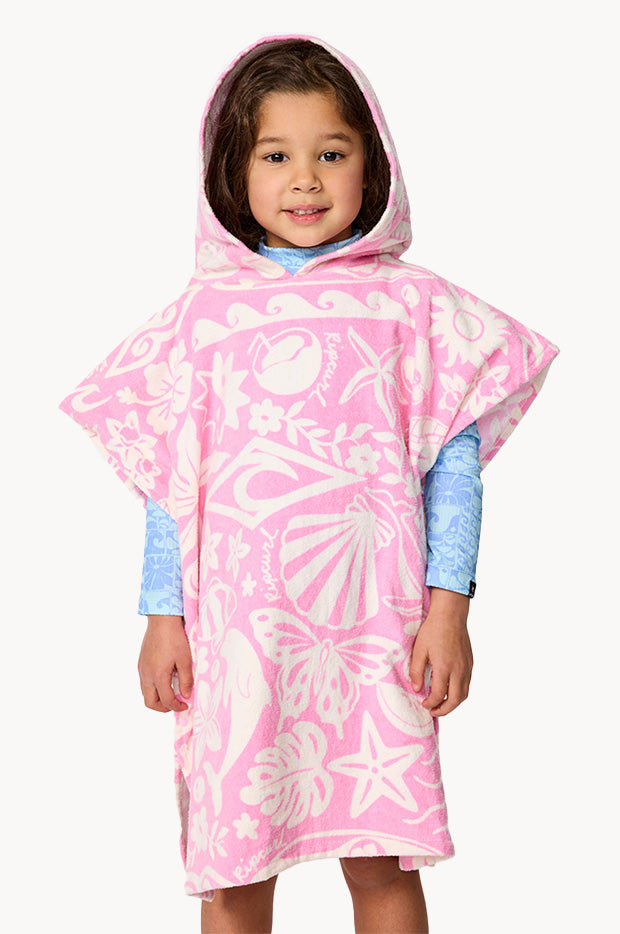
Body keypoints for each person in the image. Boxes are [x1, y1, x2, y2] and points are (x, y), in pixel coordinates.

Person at [59, 34, 559, 934]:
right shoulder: (204, 318)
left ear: (375, 162)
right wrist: (161, 615)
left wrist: (449, 609)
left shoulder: (413, 308)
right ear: (231, 170)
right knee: (235, 870)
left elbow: (454, 471)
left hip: (374, 630)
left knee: (381, 857)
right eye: (275, 156)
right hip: (241, 634)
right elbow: (172, 479)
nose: (305, 180)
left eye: (331, 154)